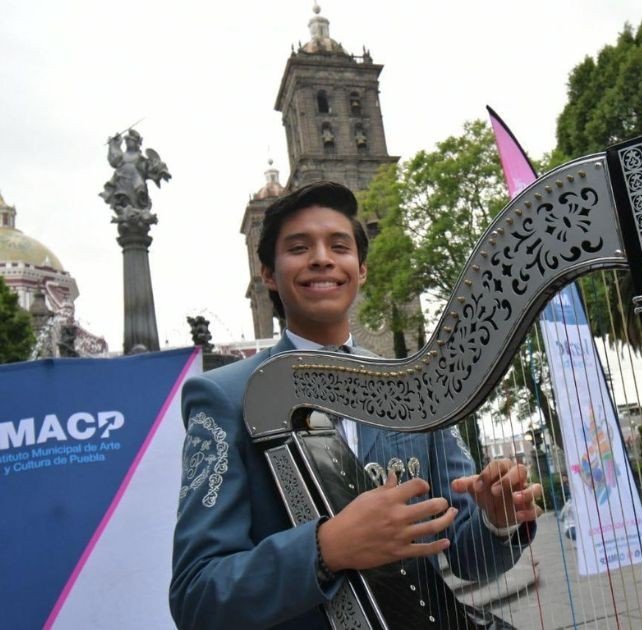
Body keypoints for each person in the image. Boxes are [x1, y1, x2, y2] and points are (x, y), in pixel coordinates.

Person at [169, 181, 542, 629]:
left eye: (339, 246)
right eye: (299, 247)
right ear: (268, 273)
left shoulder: (411, 389)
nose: (322, 258)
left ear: (361, 269)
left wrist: (495, 521)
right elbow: (197, 595)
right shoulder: (226, 397)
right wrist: (327, 548)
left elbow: (466, 558)